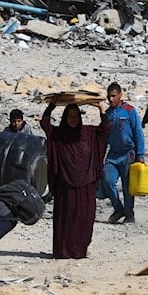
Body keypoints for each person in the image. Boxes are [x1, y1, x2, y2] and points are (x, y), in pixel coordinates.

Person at [40, 102, 111, 258]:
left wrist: (100, 108)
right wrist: (52, 105)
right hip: (65, 185)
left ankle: (80, 250)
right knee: (66, 218)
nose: (73, 119)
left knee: (84, 219)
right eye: (70, 116)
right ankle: (63, 252)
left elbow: (105, 128)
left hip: (86, 184)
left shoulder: (88, 133)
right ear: (65, 117)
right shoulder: (59, 134)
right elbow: (45, 123)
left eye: (76, 116)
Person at [102, 83, 145, 223]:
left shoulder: (129, 111)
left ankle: (129, 213)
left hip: (128, 154)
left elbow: (138, 133)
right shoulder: (108, 114)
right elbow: (102, 136)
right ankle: (118, 208)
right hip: (113, 154)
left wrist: (140, 155)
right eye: (109, 96)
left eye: (113, 96)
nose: (111, 99)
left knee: (128, 186)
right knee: (108, 181)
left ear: (121, 95)